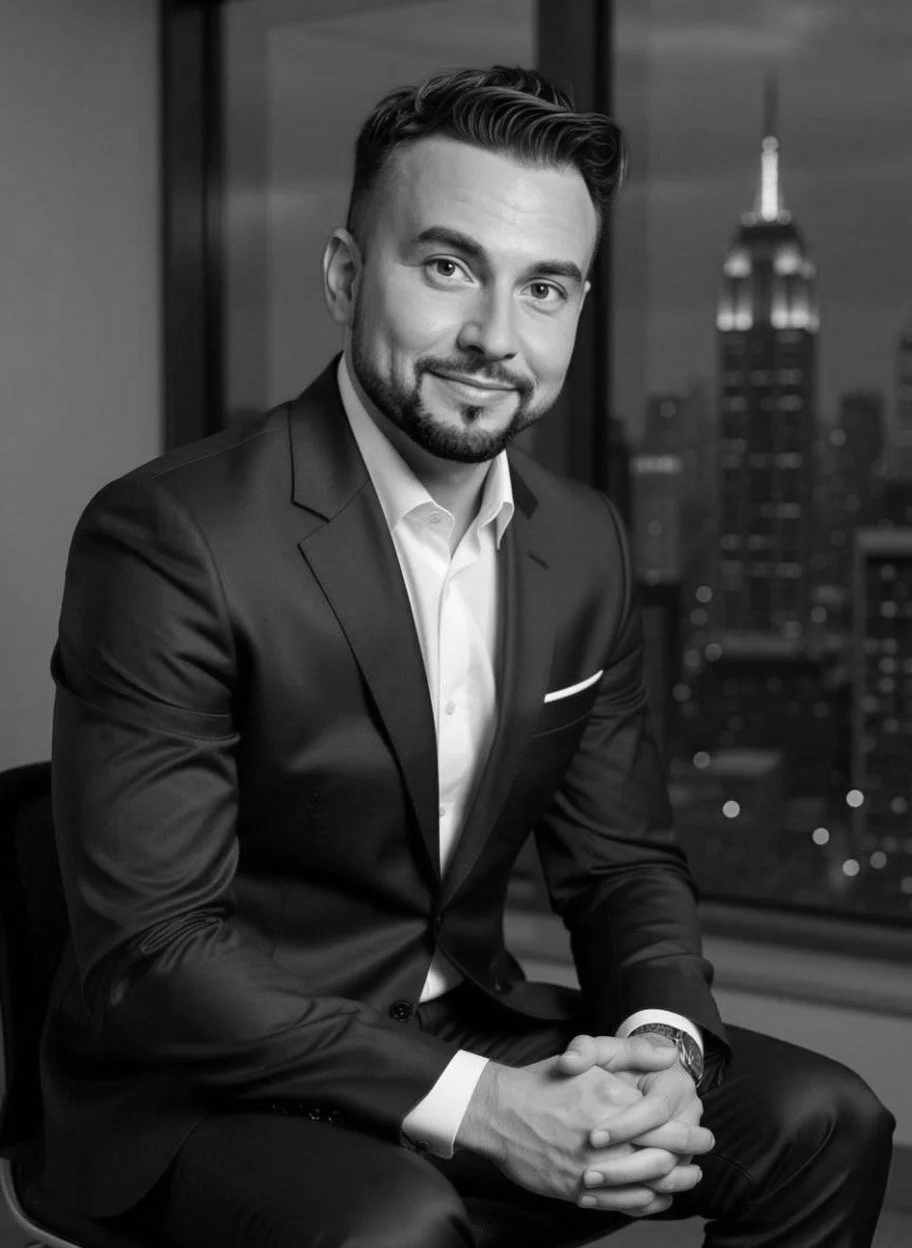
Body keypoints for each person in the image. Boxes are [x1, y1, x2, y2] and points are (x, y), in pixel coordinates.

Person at [42, 65, 894, 1247]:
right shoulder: (173, 538)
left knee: (823, 1118)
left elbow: (621, 866)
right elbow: (158, 956)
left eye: (545, 286)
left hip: (461, 1024)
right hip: (201, 1083)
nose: (497, 336)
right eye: (447, 268)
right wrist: (485, 1110)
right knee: (397, 1224)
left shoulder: (584, 541)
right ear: (346, 275)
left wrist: (659, 1046)